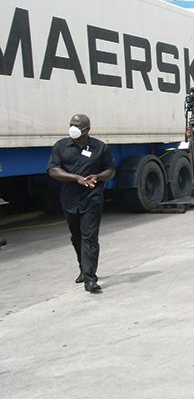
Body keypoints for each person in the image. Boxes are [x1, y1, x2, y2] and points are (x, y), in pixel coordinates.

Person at [47, 114, 115, 293]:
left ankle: (90, 278)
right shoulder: (61, 146)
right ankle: (83, 269)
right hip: (69, 199)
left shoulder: (100, 147)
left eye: (77, 125)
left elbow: (110, 170)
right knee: (76, 236)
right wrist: (75, 178)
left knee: (89, 237)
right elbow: (53, 170)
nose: (73, 128)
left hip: (92, 197)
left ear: (87, 129)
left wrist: (98, 177)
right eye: (71, 124)